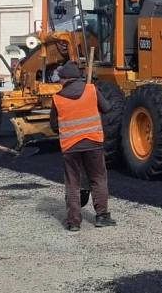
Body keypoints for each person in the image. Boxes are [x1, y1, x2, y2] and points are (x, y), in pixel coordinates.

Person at [48, 61, 115, 232]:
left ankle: (73, 222)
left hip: (70, 146)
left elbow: (54, 126)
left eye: (60, 79)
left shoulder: (57, 99)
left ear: (65, 79)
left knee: (73, 183)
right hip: (93, 142)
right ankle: (102, 216)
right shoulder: (91, 90)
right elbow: (107, 108)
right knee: (98, 179)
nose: (59, 82)